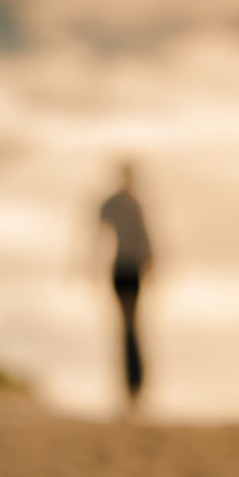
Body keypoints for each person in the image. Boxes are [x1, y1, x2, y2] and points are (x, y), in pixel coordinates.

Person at [98, 162, 153, 404]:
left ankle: (134, 385)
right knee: (129, 325)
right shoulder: (128, 203)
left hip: (125, 269)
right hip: (126, 269)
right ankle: (133, 385)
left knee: (128, 325)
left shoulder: (117, 203)